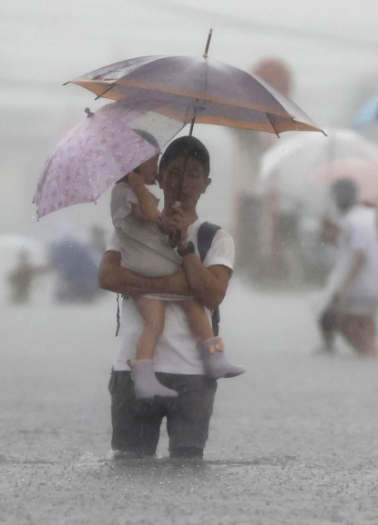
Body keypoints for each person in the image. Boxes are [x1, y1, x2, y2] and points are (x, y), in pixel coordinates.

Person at [98, 136, 236, 459]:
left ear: (206, 183)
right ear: (158, 177)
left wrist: (185, 248)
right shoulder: (130, 227)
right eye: (173, 173)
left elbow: (213, 293)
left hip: (193, 375)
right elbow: (107, 276)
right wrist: (174, 282)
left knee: (187, 470)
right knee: (128, 470)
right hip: (132, 371)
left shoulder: (214, 238)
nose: (182, 183)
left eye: (193, 175)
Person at [317, 179, 378, 357]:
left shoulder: (356, 220)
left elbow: (360, 255)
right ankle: (368, 352)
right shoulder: (363, 216)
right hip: (371, 286)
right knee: (363, 328)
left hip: (358, 288)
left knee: (330, 317)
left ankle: (361, 351)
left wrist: (343, 287)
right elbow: (345, 246)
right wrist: (328, 232)